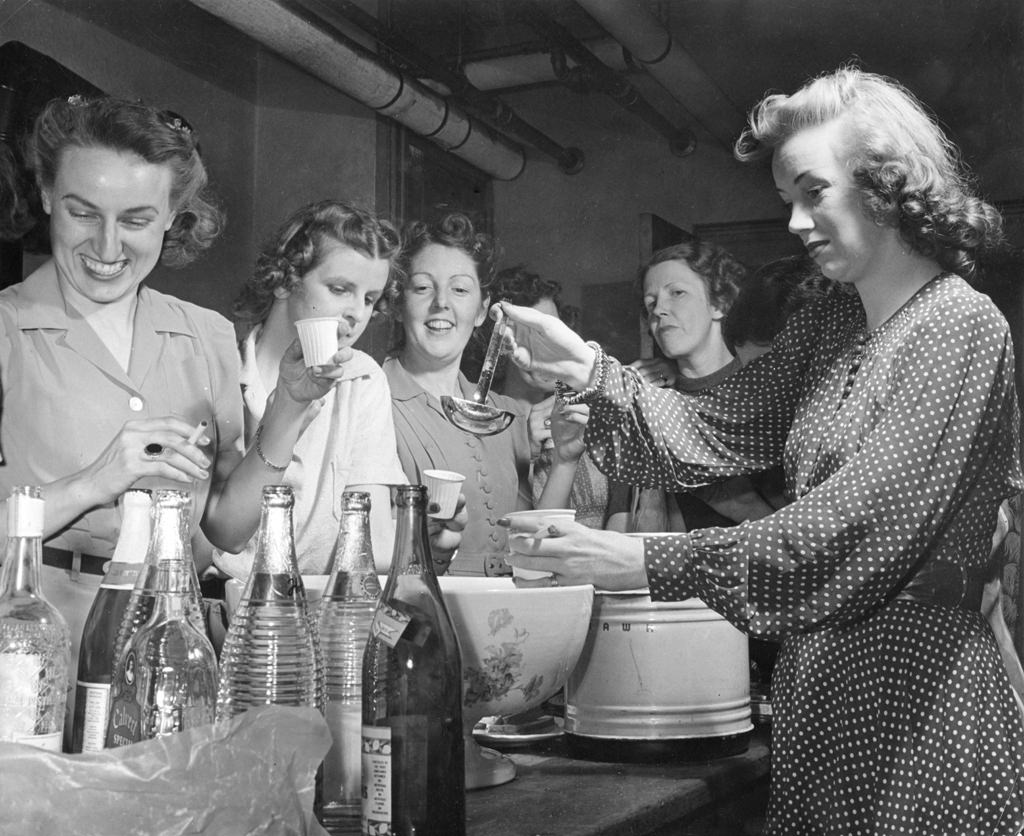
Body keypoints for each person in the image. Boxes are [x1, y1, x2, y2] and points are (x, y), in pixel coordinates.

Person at [500, 67, 1024, 834]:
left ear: (886, 185)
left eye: (814, 192)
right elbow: (713, 432)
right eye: (788, 200)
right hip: (822, 697)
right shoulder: (831, 326)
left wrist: (645, 562)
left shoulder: (959, 327)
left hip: (919, 707)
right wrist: (586, 368)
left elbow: (858, 532)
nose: (795, 222)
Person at [210, 200, 408, 578]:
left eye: (369, 298)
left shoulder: (361, 380)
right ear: (285, 281)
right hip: (224, 601)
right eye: (339, 289)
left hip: (321, 604)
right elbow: (221, 536)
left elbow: (375, 541)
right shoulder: (222, 368)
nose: (357, 312)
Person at [381, 212, 531, 576]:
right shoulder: (372, 401)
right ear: (399, 304)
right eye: (423, 287)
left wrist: (565, 460)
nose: (441, 303)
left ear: (482, 311)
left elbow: (531, 544)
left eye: (460, 289)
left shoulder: (507, 414)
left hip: (507, 619)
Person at [482, 264, 629, 530]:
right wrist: (525, 451)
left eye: (553, 331)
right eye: (535, 333)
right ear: (503, 341)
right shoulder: (488, 420)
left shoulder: (588, 407)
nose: (550, 346)